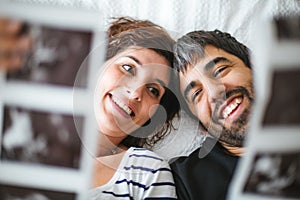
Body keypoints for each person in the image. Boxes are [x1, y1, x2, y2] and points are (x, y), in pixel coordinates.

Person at [0, 17, 180, 199]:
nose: (135, 93)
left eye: (153, 90)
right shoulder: (16, 133)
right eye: (128, 68)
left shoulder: (147, 172)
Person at [170, 29, 254, 200]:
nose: (215, 92)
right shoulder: (186, 182)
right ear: (201, 125)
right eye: (197, 94)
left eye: (220, 70)